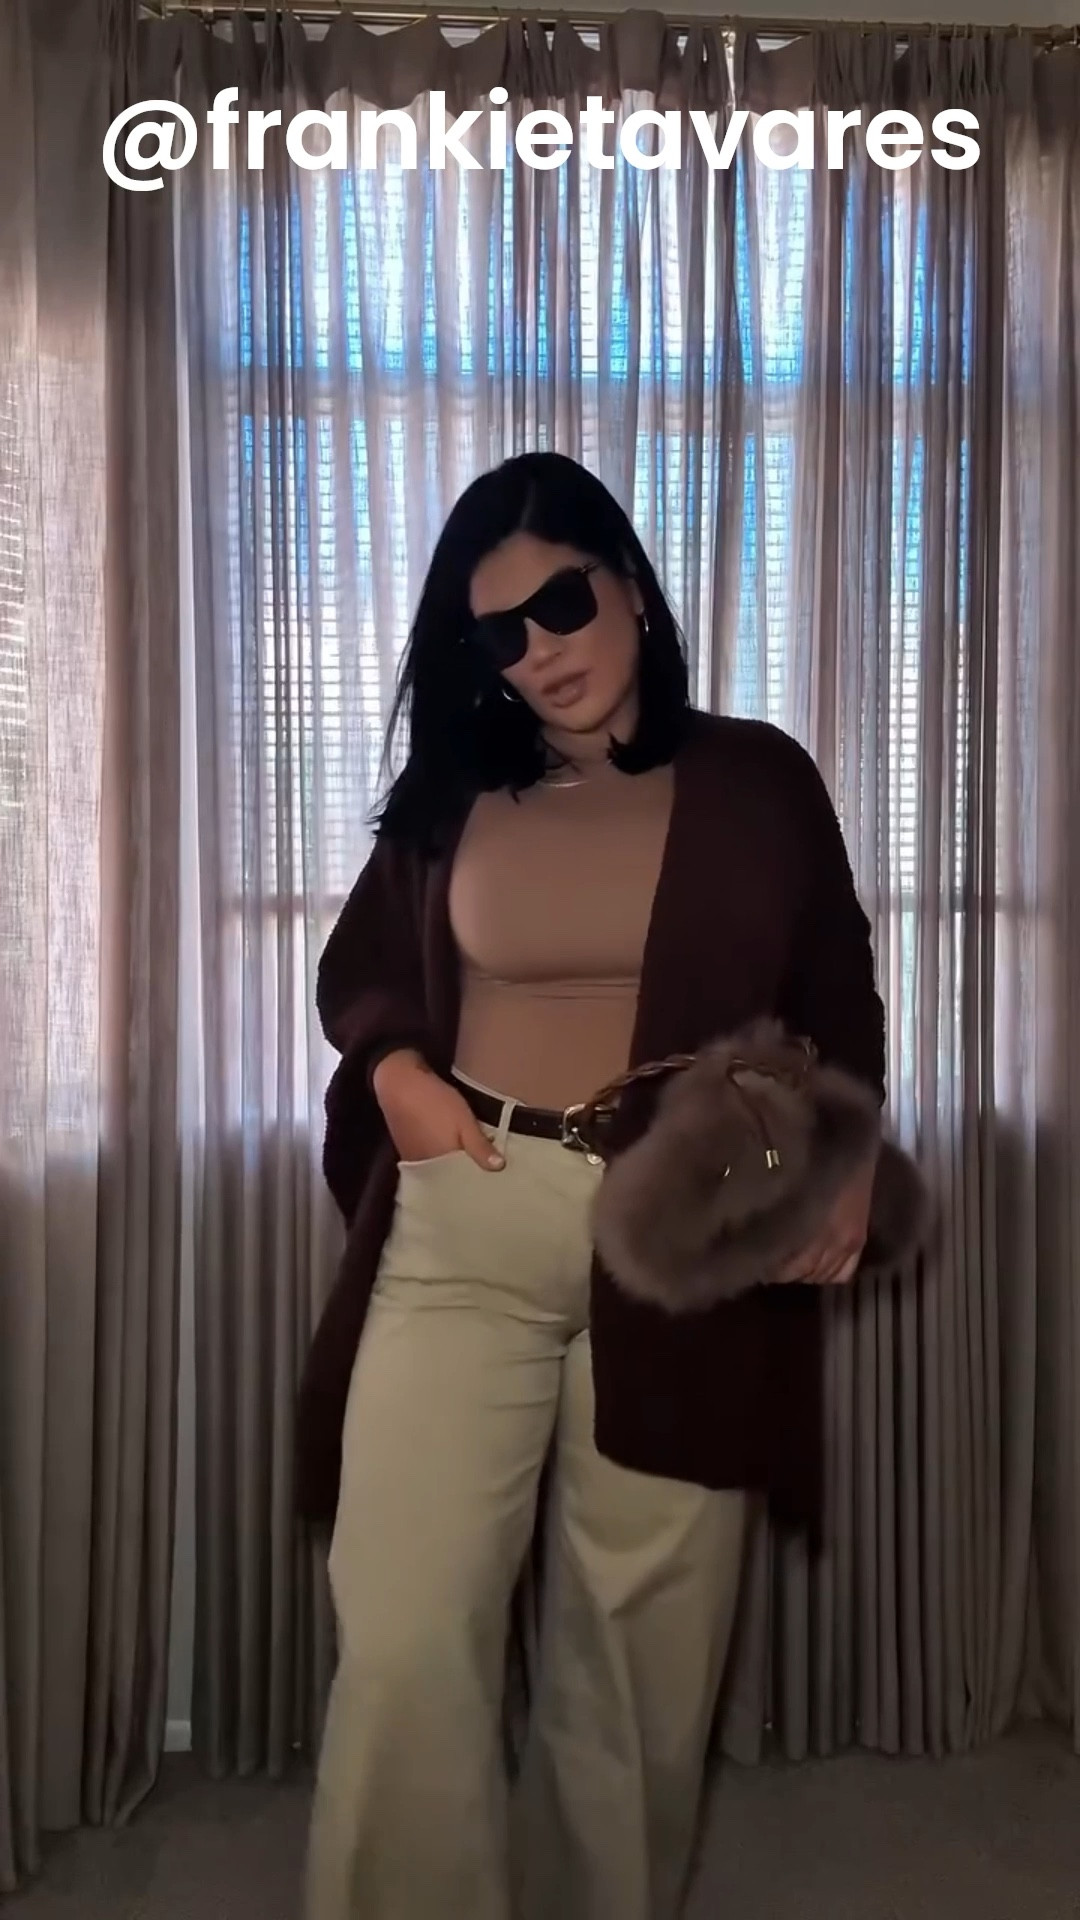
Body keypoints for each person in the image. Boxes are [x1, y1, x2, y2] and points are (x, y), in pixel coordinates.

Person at [298, 450, 886, 1920]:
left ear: (627, 583)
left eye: (561, 602)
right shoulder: (457, 795)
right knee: (405, 1636)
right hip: (466, 1222)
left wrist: (845, 1161)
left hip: (678, 1247)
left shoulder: (757, 778)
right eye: (499, 631)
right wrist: (398, 1075)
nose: (540, 648)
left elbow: (839, 992)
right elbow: (363, 969)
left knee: (636, 1668)